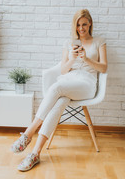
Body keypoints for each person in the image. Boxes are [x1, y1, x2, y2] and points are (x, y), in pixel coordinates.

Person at [11, 9, 108, 172]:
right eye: (78, 25)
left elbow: (104, 68)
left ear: (90, 23)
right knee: (60, 102)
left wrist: (87, 59)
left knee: (56, 87)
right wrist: (72, 59)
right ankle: (35, 153)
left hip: (87, 84)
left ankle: (28, 133)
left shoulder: (99, 41)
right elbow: (63, 71)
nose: (81, 28)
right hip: (68, 81)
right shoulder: (69, 43)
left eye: (84, 24)